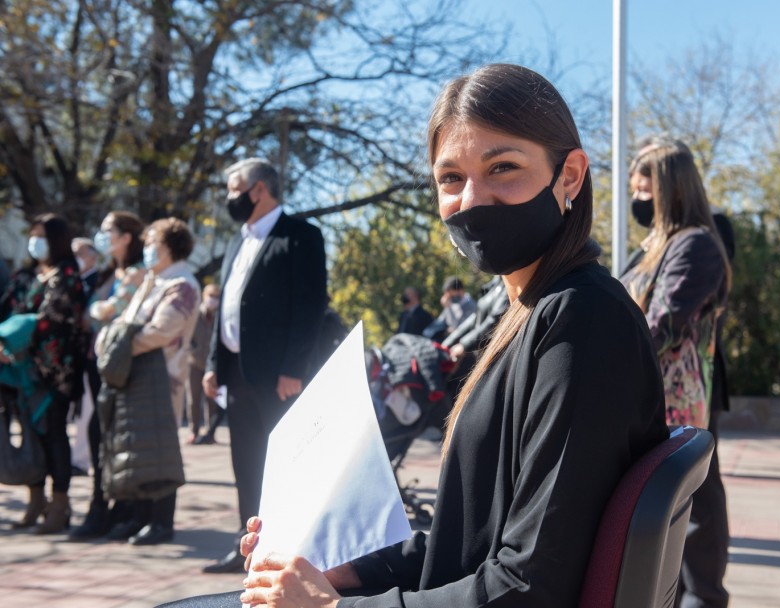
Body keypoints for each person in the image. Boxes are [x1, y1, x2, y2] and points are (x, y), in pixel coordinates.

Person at [171, 63, 668, 608]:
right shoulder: (530, 313)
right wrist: (346, 568)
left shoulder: (583, 321)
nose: (473, 199)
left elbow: (530, 587)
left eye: (503, 166)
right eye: (450, 178)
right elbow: (475, 538)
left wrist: (329, 607)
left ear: (569, 175)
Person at [619, 137, 733, 608]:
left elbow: (661, 324)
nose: (637, 200)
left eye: (644, 191)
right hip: (653, 399)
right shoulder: (652, 246)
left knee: (695, 509)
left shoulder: (697, 245)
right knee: (672, 511)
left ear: (670, 189)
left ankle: (702, 600)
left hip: (681, 405)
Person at [201, 157, 328, 573]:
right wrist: (213, 364)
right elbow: (226, 311)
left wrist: (294, 367)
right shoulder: (238, 240)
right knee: (246, 460)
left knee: (286, 464)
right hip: (237, 373)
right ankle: (248, 547)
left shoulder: (299, 235)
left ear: (259, 189)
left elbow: (310, 307)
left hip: (279, 378)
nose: (228, 197)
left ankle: (294, 551)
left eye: (233, 187)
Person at [97, 217, 200, 545]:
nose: (148, 250)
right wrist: (119, 339)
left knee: (160, 448)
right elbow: (127, 320)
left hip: (163, 377)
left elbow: (160, 332)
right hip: (138, 376)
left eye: (154, 243)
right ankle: (138, 517)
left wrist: (119, 345)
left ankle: (161, 522)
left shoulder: (182, 284)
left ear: (171, 246)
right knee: (139, 447)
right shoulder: (153, 281)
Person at [1, 214, 86, 534]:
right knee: (30, 434)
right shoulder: (25, 274)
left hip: (54, 372)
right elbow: (8, 308)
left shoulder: (67, 274)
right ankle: (35, 499)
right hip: (18, 370)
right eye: (32, 234)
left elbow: (52, 318)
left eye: (41, 235)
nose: (34, 241)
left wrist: (13, 337)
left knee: (54, 435)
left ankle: (60, 504)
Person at [69, 211, 147, 541]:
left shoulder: (136, 273)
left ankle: (114, 508)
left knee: (111, 436)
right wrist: (97, 311)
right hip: (95, 363)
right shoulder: (107, 274)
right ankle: (104, 506)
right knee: (98, 434)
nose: (102, 237)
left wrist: (97, 311)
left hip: (118, 367)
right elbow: (95, 312)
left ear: (126, 236)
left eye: (108, 231)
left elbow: (110, 311)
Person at [69, 237, 101, 477]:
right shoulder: (74, 279)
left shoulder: (98, 280)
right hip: (76, 354)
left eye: (80, 253)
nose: (76, 257)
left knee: (89, 409)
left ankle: (81, 458)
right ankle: (78, 456)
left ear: (93, 255)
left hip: (93, 354)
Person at [185, 284, 224, 445]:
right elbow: (186, 336)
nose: (213, 300)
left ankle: (210, 431)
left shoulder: (220, 316)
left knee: (211, 400)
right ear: (204, 296)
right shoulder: (194, 314)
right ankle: (193, 431)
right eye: (211, 295)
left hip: (211, 365)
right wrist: (194, 350)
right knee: (193, 399)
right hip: (194, 363)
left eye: (216, 296)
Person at [422, 276, 477, 342]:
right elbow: (440, 322)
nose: (450, 298)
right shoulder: (453, 304)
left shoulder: (470, 305)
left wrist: (448, 308)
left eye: (451, 295)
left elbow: (457, 328)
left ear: (460, 290)